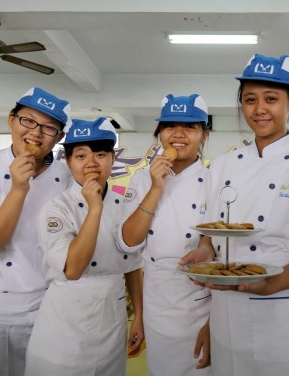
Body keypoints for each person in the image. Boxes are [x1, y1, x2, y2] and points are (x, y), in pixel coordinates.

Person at [181, 54, 289, 375]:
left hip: (282, 316)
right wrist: (204, 250)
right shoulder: (222, 166)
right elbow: (211, 235)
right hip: (226, 316)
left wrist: (267, 286)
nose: (260, 109)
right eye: (250, 100)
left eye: (271, 99)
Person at [0, 87, 72, 376]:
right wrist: (19, 188)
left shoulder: (68, 178)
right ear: (11, 120)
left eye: (49, 128)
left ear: (59, 137)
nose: (36, 133)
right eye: (28, 121)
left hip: (43, 307)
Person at [24, 117, 144, 375]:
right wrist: (94, 209)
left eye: (100, 154)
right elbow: (73, 269)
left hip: (112, 317)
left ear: (113, 158)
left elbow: (133, 265)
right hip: (66, 321)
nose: (91, 163)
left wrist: (140, 318)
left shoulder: (125, 206)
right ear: (68, 162)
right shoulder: (56, 209)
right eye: (80, 156)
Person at [118, 94, 212, 375]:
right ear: (159, 134)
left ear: (203, 135)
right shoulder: (142, 178)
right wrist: (156, 187)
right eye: (170, 126)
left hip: (202, 300)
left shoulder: (215, 180)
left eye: (190, 127)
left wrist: (215, 322)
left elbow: (224, 247)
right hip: (157, 301)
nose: (178, 134)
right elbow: (129, 242)